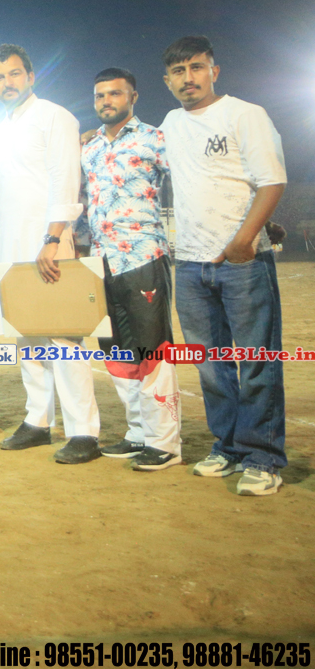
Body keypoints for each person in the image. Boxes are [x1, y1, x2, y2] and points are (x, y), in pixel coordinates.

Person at [160, 36, 288, 495]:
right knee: (210, 366)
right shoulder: (170, 123)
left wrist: (244, 240)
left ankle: (263, 457)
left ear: (214, 71)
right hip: (190, 265)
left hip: (242, 261)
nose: (188, 78)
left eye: (197, 67)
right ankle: (228, 447)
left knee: (256, 362)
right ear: (167, 81)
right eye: (178, 71)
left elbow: (272, 181)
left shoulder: (244, 114)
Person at [0, 44, 101, 464]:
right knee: (26, 332)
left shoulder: (55, 116)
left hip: (48, 239)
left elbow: (65, 180)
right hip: (10, 240)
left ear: (31, 77)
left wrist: (53, 238)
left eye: (15, 74)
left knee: (63, 335)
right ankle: (38, 420)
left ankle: (83, 431)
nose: (7, 82)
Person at [78, 68, 183, 471]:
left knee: (152, 351)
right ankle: (138, 432)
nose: (106, 101)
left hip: (142, 259)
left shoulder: (155, 139)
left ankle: (164, 442)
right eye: (100, 95)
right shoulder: (89, 148)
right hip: (101, 262)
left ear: (133, 97)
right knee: (118, 353)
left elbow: (187, 182)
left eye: (115, 94)